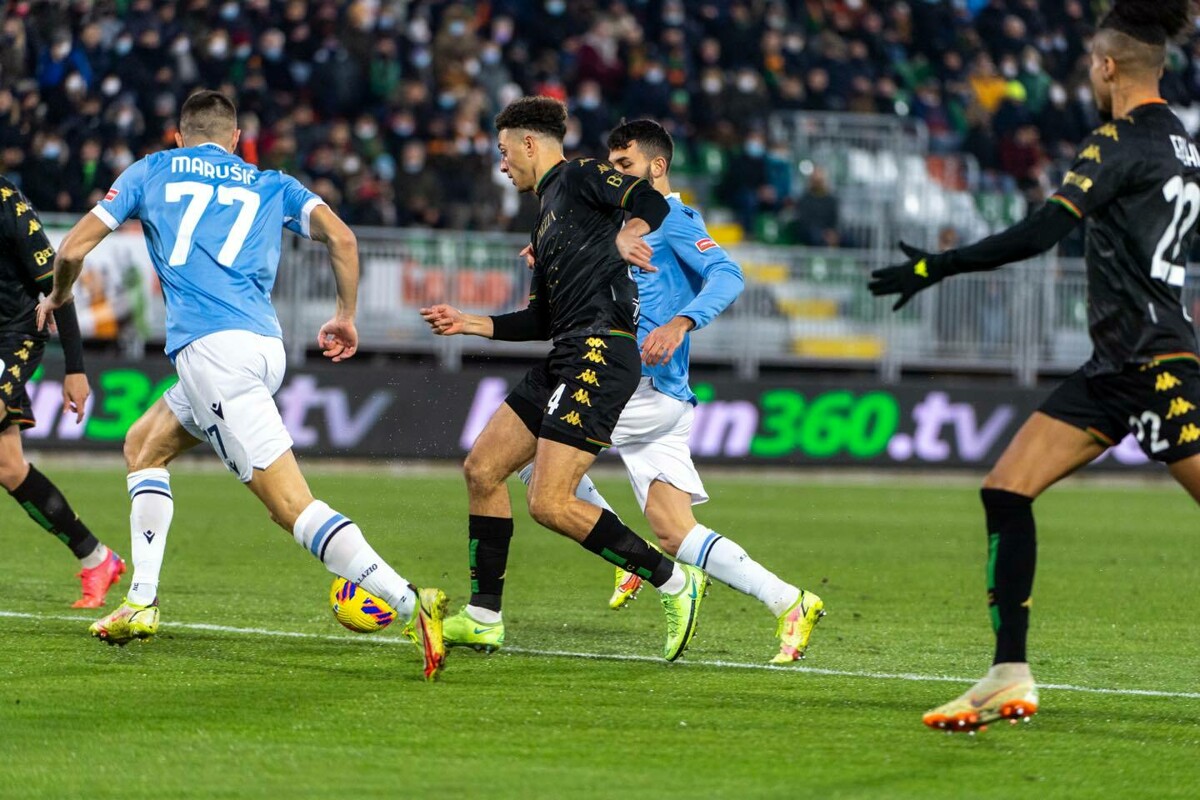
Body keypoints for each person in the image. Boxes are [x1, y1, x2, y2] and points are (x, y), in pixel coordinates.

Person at [869, 0, 1200, 732]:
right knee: (1006, 489)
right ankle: (1008, 672)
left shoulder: (1115, 141)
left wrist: (937, 263)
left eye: (1091, 62)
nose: (1089, 72)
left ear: (1107, 67)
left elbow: (1045, 229)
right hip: (1117, 365)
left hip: (1152, 365)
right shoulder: (1180, 141)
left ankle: (1008, 671)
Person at [38, 91, 448, 680]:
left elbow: (73, 247)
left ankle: (411, 602)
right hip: (260, 347)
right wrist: (345, 314)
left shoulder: (150, 169)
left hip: (213, 356)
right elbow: (345, 240)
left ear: (179, 136)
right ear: (234, 140)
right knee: (144, 446)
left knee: (290, 508)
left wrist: (58, 294)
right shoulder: (270, 181)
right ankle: (142, 601)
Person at [508, 119, 825, 664]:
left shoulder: (673, 218)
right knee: (676, 534)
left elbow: (727, 273)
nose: (616, 176)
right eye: (613, 167)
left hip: (639, 389)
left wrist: (681, 322)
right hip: (661, 398)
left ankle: (622, 557)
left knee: (525, 454)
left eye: (626, 167)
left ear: (656, 167)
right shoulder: (616, 221)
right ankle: (790, 601)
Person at [420, 97, 708, 663]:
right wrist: (473, 323)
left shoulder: (579, 175)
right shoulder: (548, 209)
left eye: (504, 152)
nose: (502, 165)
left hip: (604, 350)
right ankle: (483, 617)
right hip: (568, 349)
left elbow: (648, 196)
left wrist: (633, 229)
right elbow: (545, 317)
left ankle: (674, 581)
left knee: (549, 502)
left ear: (530, 144)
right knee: (482, 468)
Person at [0, 175, 125, 608]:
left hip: (13, 336)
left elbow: (59, 284)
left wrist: (75, 368)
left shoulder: (8, 207)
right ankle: (97, 557)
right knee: (9, 467)